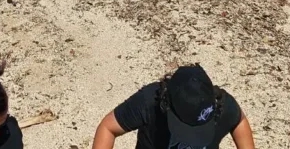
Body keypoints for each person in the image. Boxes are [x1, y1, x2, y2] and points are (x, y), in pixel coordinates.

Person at [91, 64, 255, 149]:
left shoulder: (223, 106)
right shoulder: (150, 101)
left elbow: (239, 121)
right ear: (166, 105)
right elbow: (108, 128)